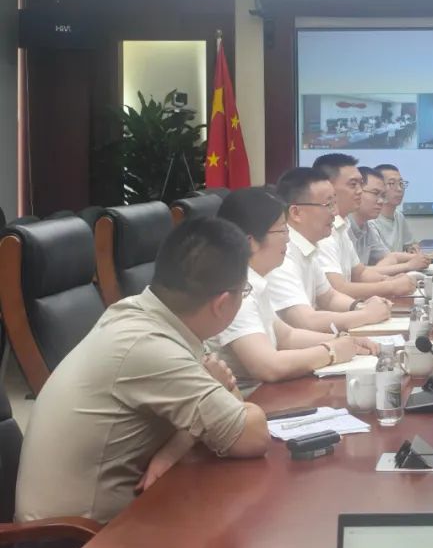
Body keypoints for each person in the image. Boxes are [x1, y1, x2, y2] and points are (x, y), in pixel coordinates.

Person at [14, 218, 270, 524]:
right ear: (222, 303)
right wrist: (218, 395)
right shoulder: (150, 346)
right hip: (72, 537)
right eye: (245, 291)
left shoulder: (143, 312)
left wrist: (179, 443)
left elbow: (225, 411)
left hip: (116, 518)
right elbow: (253, 435)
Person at [207, 188, 380, 395]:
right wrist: (331, 351)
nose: (288, 240)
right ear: (250, 243)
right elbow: (268, 366)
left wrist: (343, 340)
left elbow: (286, 336)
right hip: (251, 400)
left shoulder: (253, 280)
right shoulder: (235, 292)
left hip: (269, 393)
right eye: (282, 231)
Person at [266, 167, 393, 333]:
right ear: (296, 212)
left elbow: (329, 297)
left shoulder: (308, 247)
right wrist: (367, 314)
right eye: (328, 205)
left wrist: (360, 306)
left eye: (335, 203)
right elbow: (305, 321)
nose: (335, 212)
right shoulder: (281, 254)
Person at [312, 154, 417, 300]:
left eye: (361, 185)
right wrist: (391, 286)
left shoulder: (341, 226)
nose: (360, 191)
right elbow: (337, 289)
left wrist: (388, 280)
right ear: (328, 187)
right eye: (353, 184)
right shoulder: (323, 232)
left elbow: (360, 273)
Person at [349, 166, 429, 275]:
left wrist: (420, 257)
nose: (380, 201)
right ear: (357, 192)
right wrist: (408, 265)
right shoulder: (341, 228)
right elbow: (357, 274)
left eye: (382, 195)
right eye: (375, 193)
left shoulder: (366, 226)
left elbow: (390, 257)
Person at [369, 163, 433, 258]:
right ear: (378, 187)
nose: (399, 189)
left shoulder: (398, 216)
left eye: (401, 183)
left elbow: (410, 244)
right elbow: (386, 259)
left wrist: (412, 248)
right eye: (392, 184)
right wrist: (428, 256)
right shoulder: (371, 221)